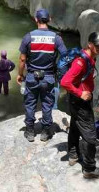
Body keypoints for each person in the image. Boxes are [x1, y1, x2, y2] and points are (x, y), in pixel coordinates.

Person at [60, 32, 99, 179]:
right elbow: (64, 82)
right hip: (80, 100)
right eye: (98, 45)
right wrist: (80, 93)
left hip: (77, 100)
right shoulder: (81, 62)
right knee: (90, 134)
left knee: (75, 125)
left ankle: (73, 155)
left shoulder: (89, 58)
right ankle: (89, 168)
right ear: (90, 44)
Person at [17, 8, 67, 142]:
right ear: (49, 20)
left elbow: (22, 59)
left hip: (32, 77)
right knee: (47, 104)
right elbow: (65, 57)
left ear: (36, 20)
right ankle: (45, 132)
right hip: (49, 77)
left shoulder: (29, 37)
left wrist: (20, 75)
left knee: (30, 104)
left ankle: (30, 131)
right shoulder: (56, 38)